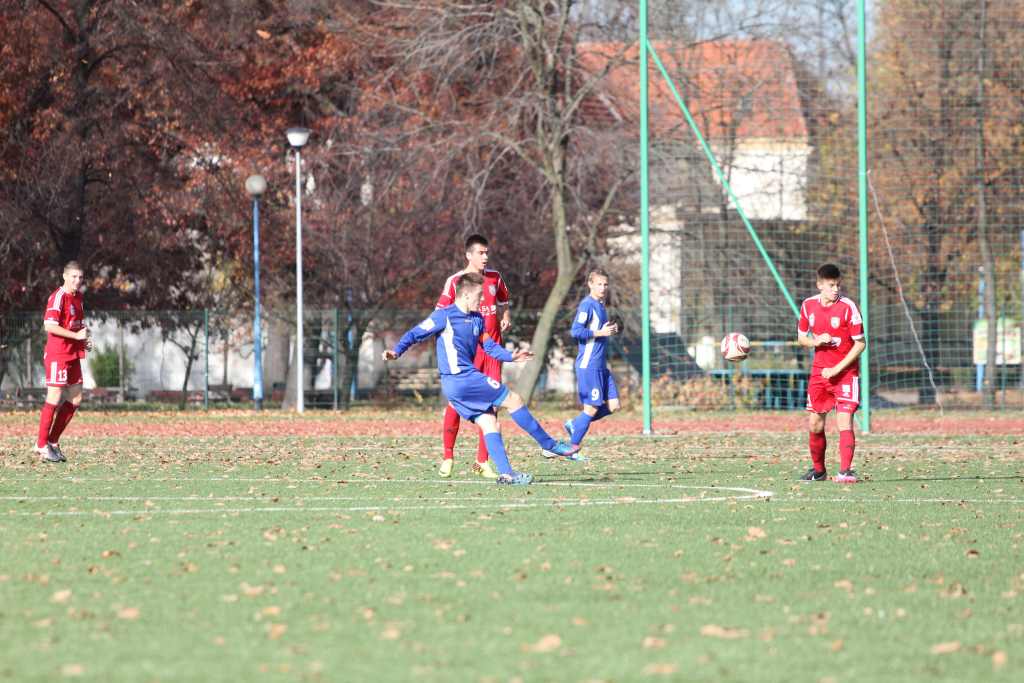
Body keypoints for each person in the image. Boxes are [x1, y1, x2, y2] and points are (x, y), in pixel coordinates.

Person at [384, 272, 581, 486]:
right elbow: (415, 333)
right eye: (479, 296)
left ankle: (507, 474)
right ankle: (549, 444)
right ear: (466, 295)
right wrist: (396, 352)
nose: (483, 301)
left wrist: (511, 356)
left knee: (489, 423)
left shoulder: (477, 319)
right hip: (462, 378)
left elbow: (489, 347)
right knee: (514, 400)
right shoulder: (444, 316)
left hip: (457, 385)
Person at [435, 234, 512, 479]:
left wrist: (505, 315)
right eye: (480, 253)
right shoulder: (456, 281)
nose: (485, 257)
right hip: (467, 352)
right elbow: (440, 313)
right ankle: (448, 455)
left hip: (492, 349)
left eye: (487, 253)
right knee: (456, 403)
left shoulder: (495, 278)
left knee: (492, 406)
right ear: (469, 255)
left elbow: (504, 301)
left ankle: (482, 462)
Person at [797, 263, 865, 483]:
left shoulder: (848, 307)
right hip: (819, 374)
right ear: (819, 285)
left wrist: (837, 368)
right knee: (815, 424)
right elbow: (801, 338)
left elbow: (860, 344)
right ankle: (819, 471)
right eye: (830, 285)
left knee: (844, 421)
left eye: (838, 285)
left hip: (845, 373)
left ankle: (845, 471)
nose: (836, 289)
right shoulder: (808, 306)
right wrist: (816, 340)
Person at [36, 261, 92, 463]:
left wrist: (84, 340)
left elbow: (77, 325)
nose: (77, 281)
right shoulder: (58, 297)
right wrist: (75, 337)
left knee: (76, 399)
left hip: (73, 354)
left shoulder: (79, 298)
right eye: (74, 276)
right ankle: (41, 444)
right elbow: (49, 326)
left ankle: (52, 441)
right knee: (55, 396)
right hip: (57, 354)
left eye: (80, 277)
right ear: (64, 276)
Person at [564, 270, 619, 449]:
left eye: (605, 284)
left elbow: (600, 331)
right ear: (590, 284)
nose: (603, 288)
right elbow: (576, 331)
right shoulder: (587, 305)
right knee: (592, 408)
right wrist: (600, 332)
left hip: (601, 366)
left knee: (614, 405)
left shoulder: (601, 305)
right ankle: (572, 448)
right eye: (599, 284)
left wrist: (611, 329)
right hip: (589, 365)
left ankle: (575, 424)